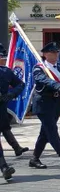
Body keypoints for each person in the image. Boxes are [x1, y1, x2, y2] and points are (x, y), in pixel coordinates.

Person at [31, 43, 60, 169]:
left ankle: (34, 158)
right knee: (52, 131)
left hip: (56, 103)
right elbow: (43, 80)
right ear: (45, 54)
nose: (56, 55)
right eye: (52, 52)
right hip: (43, 103)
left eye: (57, 52)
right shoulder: (39, 68)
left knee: (45, 132)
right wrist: (56, 85)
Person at [0, 46, 25, 181]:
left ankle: (5, 166)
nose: (3, 60)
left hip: (1, 110)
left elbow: (20, 84)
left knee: (5, 129)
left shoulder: (6, 72)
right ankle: (4, 166)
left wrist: (10, 94)